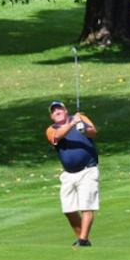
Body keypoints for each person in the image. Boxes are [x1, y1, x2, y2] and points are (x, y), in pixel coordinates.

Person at [46, 100, 99, 247]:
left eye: (59, 109)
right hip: (68, 174)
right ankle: (83, 239)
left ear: (65, 110)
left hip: (88, 169)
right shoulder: (51, 129)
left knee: (86, 206)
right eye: (54, 111)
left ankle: (82, 240)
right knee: (68, 209)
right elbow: (57, 137)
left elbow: (93, 132)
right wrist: (71, 124)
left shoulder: (80, 117)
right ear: (52, 117)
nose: (57, 112)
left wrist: (83, 129)